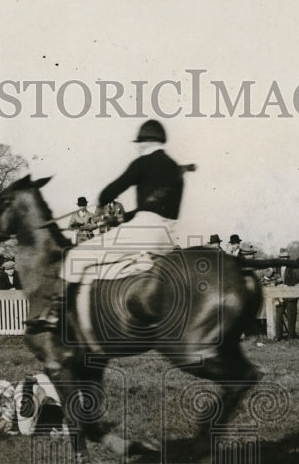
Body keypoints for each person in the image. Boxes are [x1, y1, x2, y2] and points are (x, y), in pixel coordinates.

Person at [26, 119, 184, 335]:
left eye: (139, 143)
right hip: (167, 237)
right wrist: (123, 218)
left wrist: (101, 202)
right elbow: (152, 207)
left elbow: (113, 190)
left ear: (146, 142)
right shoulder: (175, 169)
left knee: (76, 257)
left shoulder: (143, 162)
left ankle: (53, 314)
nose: (138, 147)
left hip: (143, 232)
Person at [266, 247, 299, 340]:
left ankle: (291, 335)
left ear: (288, 258)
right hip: (279, 295)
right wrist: (276, 282)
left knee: (291, 315)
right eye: (282, 258)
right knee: (279, 314)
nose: (284, 260)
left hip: (291, 294)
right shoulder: (276, 268)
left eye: (286, 258)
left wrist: (287, 284)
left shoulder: (293, 267)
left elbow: (297, 280)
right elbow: (271, 279)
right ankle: (278, 335)